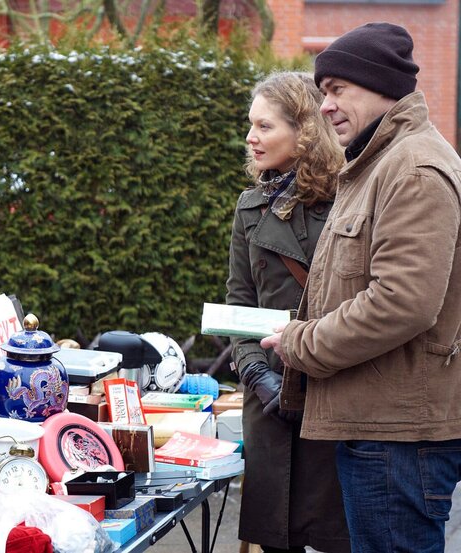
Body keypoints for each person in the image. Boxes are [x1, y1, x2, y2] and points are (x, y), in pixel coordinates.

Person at [261, 22, 461, 553]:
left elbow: (402, 302)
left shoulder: (412, 168)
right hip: (381, 429)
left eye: (337, 89)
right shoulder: (377, 164)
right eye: (323, 91)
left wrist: (299, 343)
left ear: (381, 88)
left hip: (396, 438)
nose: (325, 105)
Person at [227, 71, 349, 553]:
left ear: (304, 132)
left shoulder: (351, 200)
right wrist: (258, 376)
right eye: (251, 125)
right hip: (269, 399)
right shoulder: (250, 207)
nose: (251, 138)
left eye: (265, 126)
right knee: (275, 536)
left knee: (338, 535)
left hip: (334, 392)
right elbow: (238, 304)